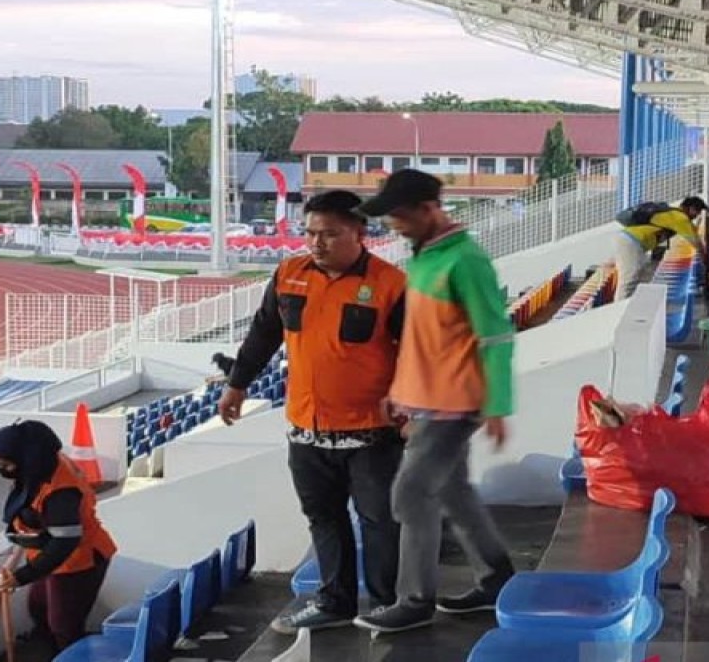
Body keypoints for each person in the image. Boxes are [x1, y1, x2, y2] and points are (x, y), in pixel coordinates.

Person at [218, 190, 408, 634]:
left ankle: (386, 605)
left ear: (360, 234)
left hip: (372, 435)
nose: (316, 243)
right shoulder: (289, 274)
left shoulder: (391, 285)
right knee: (324, 519)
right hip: (307, 432)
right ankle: (334, 602)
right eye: (310, 232)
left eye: (330, 234)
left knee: (379, 522)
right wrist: (237, 385)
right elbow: (264, 335)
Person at [351, 169, 517, 635]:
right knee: (453, 492)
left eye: (401, 217)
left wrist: (498, 404)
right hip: (427, 403)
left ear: (429, 209)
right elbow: (424, 341)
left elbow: (496, 335)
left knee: (410, 494)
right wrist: (400, 394)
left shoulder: (465, 260)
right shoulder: (424, 257)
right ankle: (496, 578)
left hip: (455, 405)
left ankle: (414, 600)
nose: (395, 226)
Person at [0, 420, 117, 653]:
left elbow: (64, 542)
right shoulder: (41, 466)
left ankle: (72, 655)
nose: (5, 471)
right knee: (38, 608)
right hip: (48, 557)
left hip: (79, 561)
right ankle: (46, 651)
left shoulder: (61, 492)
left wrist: (21, 576)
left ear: (25, 459)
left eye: (6, 465)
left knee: (64, 624)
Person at [611, 197, 708, 300]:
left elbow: (662, 243)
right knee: (630, 277)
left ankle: (633, 303)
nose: (697, 216)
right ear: (691, 208)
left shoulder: (672, 216)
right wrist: (706, 260)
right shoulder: (680, 218)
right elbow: (695, 242)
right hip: (630, 241)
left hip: (632, 242)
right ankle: (619, 308)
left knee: (641, 275)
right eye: (697, 212)